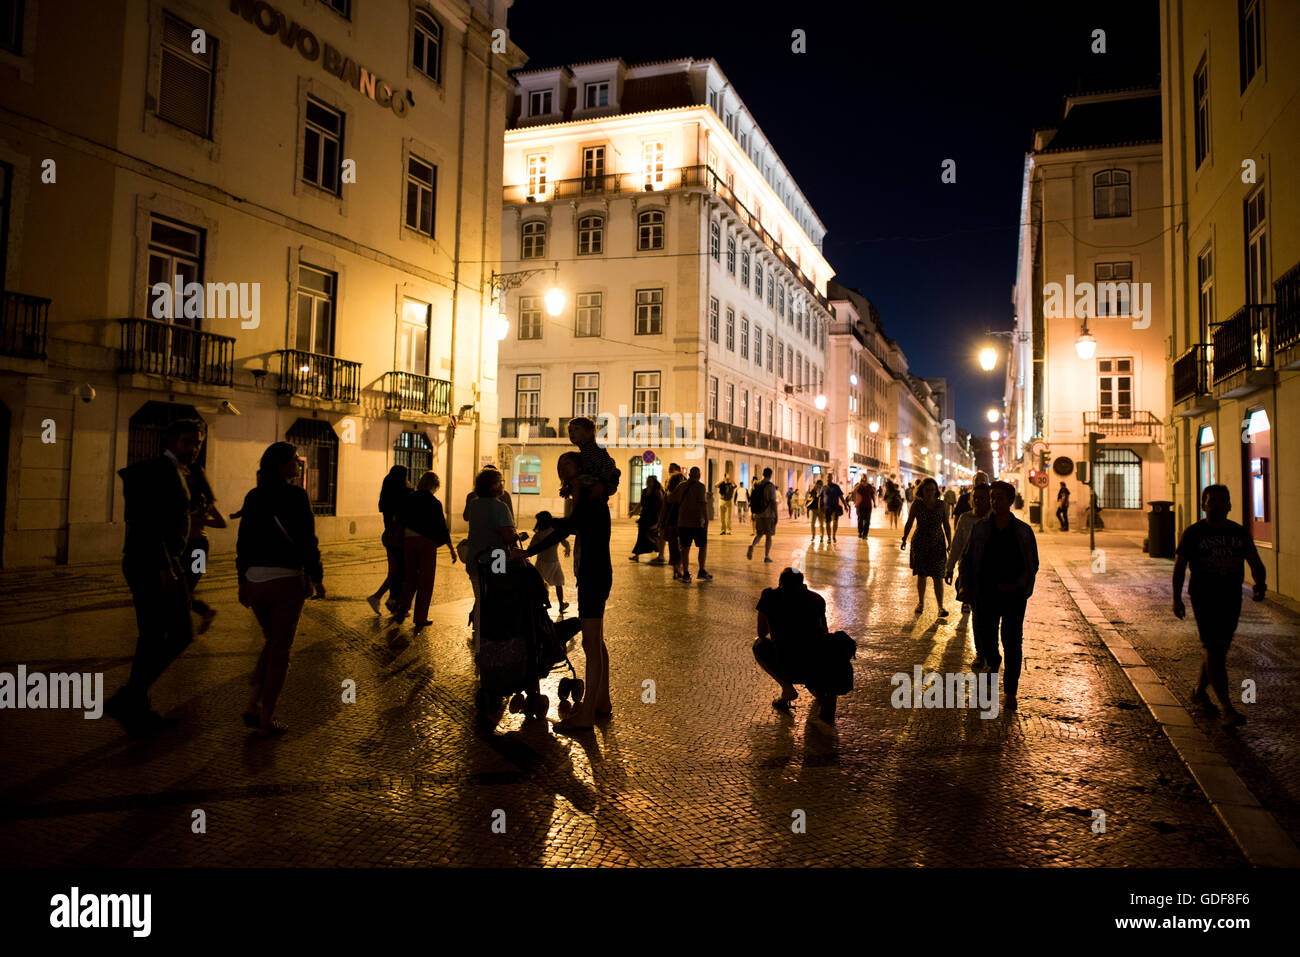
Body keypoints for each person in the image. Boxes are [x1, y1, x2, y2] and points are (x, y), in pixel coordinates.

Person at [106, 419, 205, 737]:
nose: (195, 448)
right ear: (173, 441)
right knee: (167, 634)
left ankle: (133, 698)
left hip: (163, 562)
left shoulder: (178, 472)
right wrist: (164, 566)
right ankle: (133, 699)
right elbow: (146, 521)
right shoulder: (159, 471)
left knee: (165, 635)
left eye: (198, 443)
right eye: (189, 442)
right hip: (152, 564)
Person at [233, 442, 326, 737]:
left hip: (256, 581)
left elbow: (243, 542)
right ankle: (266, 716)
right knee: (281, 649)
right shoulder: (297, 496)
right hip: (286, 580)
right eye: (294, 461)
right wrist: (317, 575)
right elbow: (307, 540)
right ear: (282, 465)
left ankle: (252, 703)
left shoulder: (254, 496)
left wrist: (242, 580)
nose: (299, 465)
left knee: (273, 640)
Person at [526, 452, 612, 732]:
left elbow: (568, 528)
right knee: (596, 642)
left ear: (581, 467)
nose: (563, 468)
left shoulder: (590, 498)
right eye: (559, 464)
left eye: (568, 463)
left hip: (594, 575)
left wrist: (529, 550)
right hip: (593, 573)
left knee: (591, 644)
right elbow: (572, 527)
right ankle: (602, 702)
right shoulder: (583, 497)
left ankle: (587, 714)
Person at [1173, 485, 1267, 728]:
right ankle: (1227, 709)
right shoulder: (1193, 533)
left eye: (1222, 501)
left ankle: (1199, 693)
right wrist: (1176, 597)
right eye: (1211, 501)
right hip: (1204, 597)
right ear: (1203, 505)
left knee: (1218, 649)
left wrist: (1260, 584)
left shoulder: (1239, 532)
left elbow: (1254, 560)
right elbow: (1180, 566)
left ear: (1230, 505)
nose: (1216, 505)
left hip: (1231, 597)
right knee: (1214, 648)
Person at [958, 481, 1039, 710]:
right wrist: (965, 585)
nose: (995, 501)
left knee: (1013, 642)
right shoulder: (981, 528)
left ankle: (1011, 692)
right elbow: (967, 558)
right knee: (987, 638)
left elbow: (1032, 563)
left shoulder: (1023, 531)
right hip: (986, 593)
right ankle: (993, 662)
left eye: (1000, 497)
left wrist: (1022, 587)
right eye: (993, 497)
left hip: (1014, 596)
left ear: (1010, 501)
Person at [752, 568, 852, 723]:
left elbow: (761, 633)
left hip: (785, 662)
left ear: (781, 583)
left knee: (759, 645)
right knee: (813, 647)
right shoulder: (816, 599)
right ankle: (819, 691)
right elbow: (824, 632)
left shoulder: (769, 597)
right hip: (814, 663)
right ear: (802, 583)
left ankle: (787, 689)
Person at [465, 467, 523, 652]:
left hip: (475, 559)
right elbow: (507, 535)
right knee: (495, 600)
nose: (502, 486)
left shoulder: (474, 504)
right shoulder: (500, 506)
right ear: (492, 486)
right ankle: (490, 641)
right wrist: (516, 536)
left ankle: (482, 638)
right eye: (499, 482)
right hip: (496, 559)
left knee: (480, 597)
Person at [395, 471, 455, 628]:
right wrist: (451, 548)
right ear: (434, 486)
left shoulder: (410, 498)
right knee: (426, 580)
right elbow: (442, 527)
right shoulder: (434, 503)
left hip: (409, 540)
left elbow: (399, 518)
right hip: (427, 542)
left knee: (410, 577)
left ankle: (403, 606)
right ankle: (420, 617)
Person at [184, 460, 226, 635]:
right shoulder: (184, 495)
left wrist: (199, 521)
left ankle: (201, 615)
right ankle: (204, 613)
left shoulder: (204, 499)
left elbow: (221, 522)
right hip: (185, 548)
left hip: (200, 549)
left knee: (188, 587)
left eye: (188, 475)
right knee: (182, 588)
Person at [901, 477, 952, 616]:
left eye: (932, 490)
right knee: (922, 575)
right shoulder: (917, 504)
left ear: (936, 491)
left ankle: (940, 606)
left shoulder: (942, 505)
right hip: (920, 542)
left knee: (938, 576)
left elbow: (946, 524)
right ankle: (921, 603)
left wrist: (950, 543)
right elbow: (910, 522)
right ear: (922, 490)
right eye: (927, 489)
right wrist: (904, 538)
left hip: (937, 542)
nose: (930, 492)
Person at [369, 466, 411, 615]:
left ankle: (389, 600)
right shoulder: (403, 495)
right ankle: (388, 600)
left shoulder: (387, 495)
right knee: (399, 571)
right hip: (398, 538)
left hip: (389, 537)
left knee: (396, 571)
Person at [946, 483, 991, 616]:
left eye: (982, 498)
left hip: (988, 571)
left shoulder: (993, 519)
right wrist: (949, 568)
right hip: (967, 569)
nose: (978, 501)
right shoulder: (965, 518)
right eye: (975, 497)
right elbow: (957, 545)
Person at [673, 466, 712, 583]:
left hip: (683, 521)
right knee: (703, 546)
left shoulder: (681, 486)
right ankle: (701, 570)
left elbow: (672, 499)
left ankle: (685, 573)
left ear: (689, 475)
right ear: (699, 475)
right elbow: (703, 505)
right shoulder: (700, 487)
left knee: (685, 548)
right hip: (697, 522)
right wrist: (706, 520)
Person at [568, 416, 620, 499]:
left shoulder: (592, 448)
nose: (572, 433)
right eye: (570, 430)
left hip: (597, 491)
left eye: (576, 429)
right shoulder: (586, 450)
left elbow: (608, 466)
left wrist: (600, 484)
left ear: (589, 432)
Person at [532, 510, 571, 614]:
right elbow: (565, 542)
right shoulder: (555, 531)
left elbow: (531, 547)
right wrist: (567, 548)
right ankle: (561, 604)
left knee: (542, 584)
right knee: (559, 583)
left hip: (541, 562)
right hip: (554, 562)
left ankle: (543, 604)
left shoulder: (538, 535)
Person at [747, 467, 780, 562]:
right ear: (770, 475)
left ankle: (752, 546)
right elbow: (773, 502)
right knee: (768, 536)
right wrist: (776, 515)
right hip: (768, 514)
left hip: (758, 514)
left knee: (759, 533)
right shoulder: (770, 486)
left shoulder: (757, 484)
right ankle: (766, 556)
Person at [630, 474, 665, 563]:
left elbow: (661, 506)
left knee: (654, 536)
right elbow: (641, 503)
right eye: (647, 480)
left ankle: (661, 555)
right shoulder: (644, 491)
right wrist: (633, 511)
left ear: (654, 482)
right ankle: (636, 555)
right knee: (641, 536)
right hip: (644, 517)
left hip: (653, 517)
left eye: (650, 481)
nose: (648, 482)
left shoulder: (657, 492)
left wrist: (659, 519)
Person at [660, 463, 685, 578]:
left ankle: (676, 568)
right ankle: (678, 568)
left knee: (673, 547)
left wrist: (661, 523)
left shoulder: (667, 495)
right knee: (682, 546)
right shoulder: (683, 495)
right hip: (682, 522)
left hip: (670, 522)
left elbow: (663, 510)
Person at [820, 474, 845, 544]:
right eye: (827, 477)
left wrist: (845, 505)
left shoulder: (836, 487)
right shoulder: (823, 488)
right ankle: (829, 537)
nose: (828, 478)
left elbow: (841, 497)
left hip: (835, 507)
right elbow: (820, 498)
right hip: (826, 508)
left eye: (830, 477)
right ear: (826, 478)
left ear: (832, 478)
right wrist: (820, 507)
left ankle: (833, 535)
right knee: (827, 523)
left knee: (835, 522)